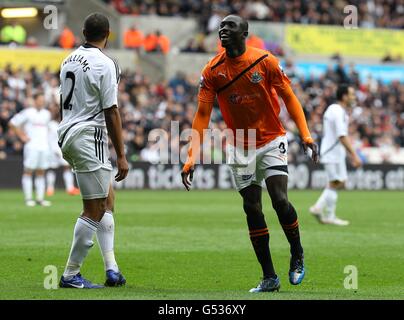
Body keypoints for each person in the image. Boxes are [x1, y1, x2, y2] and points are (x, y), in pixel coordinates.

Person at [181, 15, 319, 293]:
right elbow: (203, 114)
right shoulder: (212, 71)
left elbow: (289, 97)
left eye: (230, 26)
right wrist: (192, 154)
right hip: (240, 144)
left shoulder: (265, 61)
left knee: (280, 200)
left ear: (244, 33)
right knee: (252, 207)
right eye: (220, 26)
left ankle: (297, 251)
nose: (223, 29)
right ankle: (269, 276)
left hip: (271, 138)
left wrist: (305, 133)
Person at [57, 13, 129, 289]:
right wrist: (121, 154)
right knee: (95, 207)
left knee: (107, 198)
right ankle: (70, 274)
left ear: (83, 32)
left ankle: (112, 269)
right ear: (108, 34)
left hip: (69, 130)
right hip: (89, 134)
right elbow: (111, 111)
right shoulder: (105, 63)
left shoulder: (68, 60)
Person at [310, 84, 362, 225]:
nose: (353, 97)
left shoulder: (338, 110)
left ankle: (329, 214)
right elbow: (341, 135)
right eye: (351, 94)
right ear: (344, 96)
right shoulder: (337, 110)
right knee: (335, 182)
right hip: (331, 153)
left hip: (336, 153)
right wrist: (354, 155)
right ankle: (319, 208)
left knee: (340, 182)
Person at [9, 93, 52, 207]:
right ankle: (28, 198)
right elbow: (12, 123)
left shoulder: (47, 114)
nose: (42, 102)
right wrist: (22, 136)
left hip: (44, 146)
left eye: (43, 100)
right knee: (28, 171)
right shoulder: (28, 112)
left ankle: (40, 198)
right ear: (35, 100)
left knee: (41, 172)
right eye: (40, 100)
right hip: (31, 146)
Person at [46, 106, 80, 196]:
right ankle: (50, 189)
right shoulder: (51, 124)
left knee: (67, 167)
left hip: (62, 149)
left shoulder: (64, 123)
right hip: (52, 150)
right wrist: (52, 149)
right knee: (51, 168)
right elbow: (49, 138)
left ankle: (70, 188)